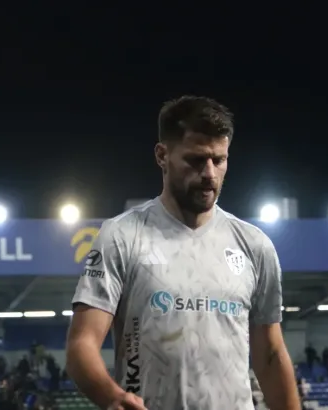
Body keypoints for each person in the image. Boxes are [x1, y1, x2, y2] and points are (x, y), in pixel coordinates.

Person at [66, 95, 300, 410]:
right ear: (162, 155)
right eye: (196, 160)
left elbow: (270, 355)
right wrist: (112, 396)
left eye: (219, 160)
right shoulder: (122, 236)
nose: (209, 173)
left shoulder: (254, 245)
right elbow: (81, 345)